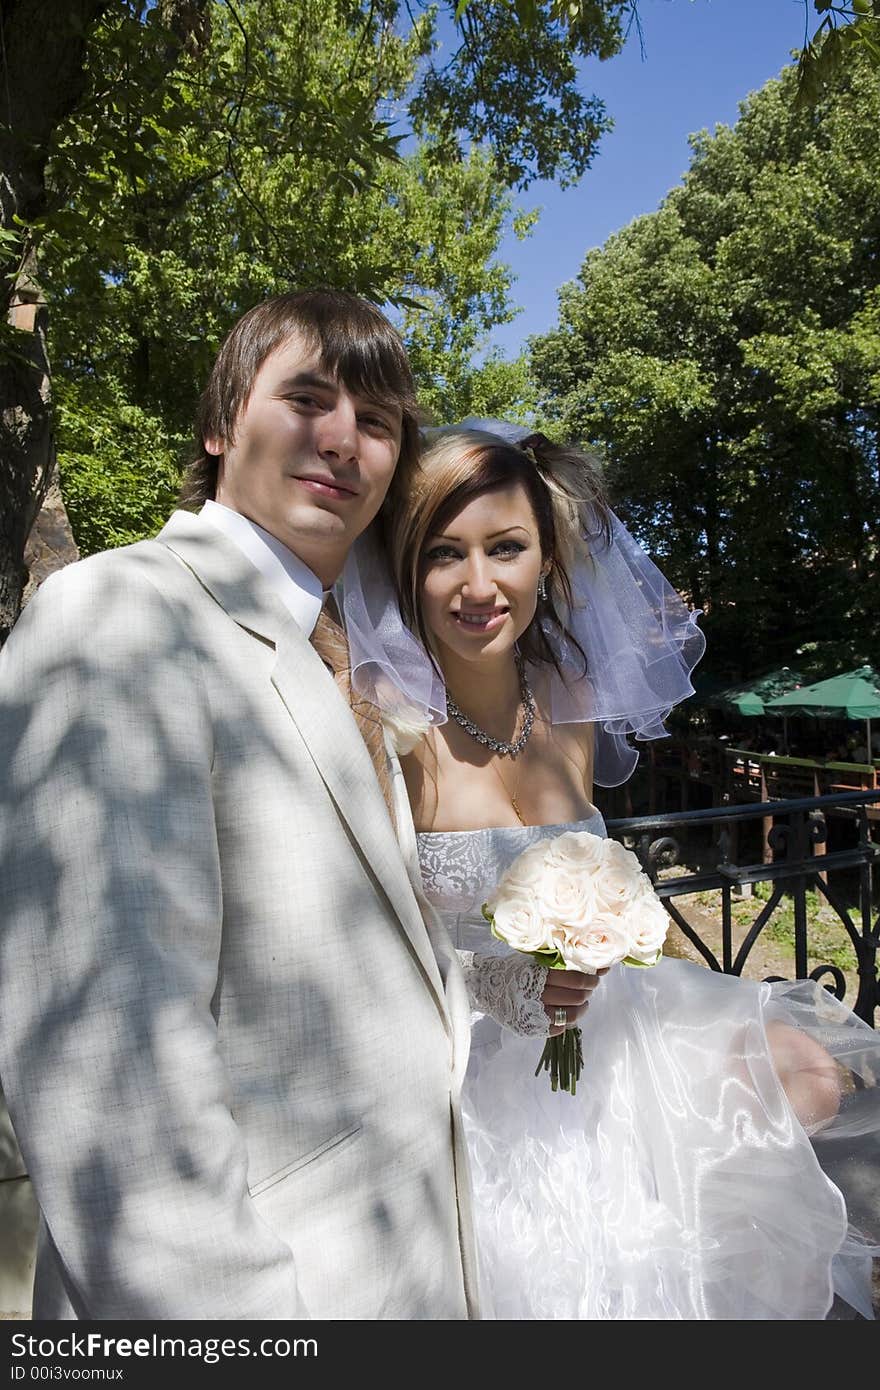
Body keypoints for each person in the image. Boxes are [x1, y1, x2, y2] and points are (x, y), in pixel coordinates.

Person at [0, 291, 480, 1320]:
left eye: (380, 422)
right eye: (307, 399)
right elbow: (109, 1077)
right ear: (221, 425)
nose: (344, 439)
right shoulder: (121, 616)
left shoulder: (346, 657)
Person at [342, 418, 880, 1320]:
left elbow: (598, 874)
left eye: (505, 548)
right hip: (479, 1059)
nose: (479, 585)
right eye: (444, 554)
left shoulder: (568, 700)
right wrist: (511, 986)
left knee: (808, 1077)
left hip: (613, 1022)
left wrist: (625, 942)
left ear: (547, 562)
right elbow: (372, 945)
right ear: (407, 570)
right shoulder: (389, 730)